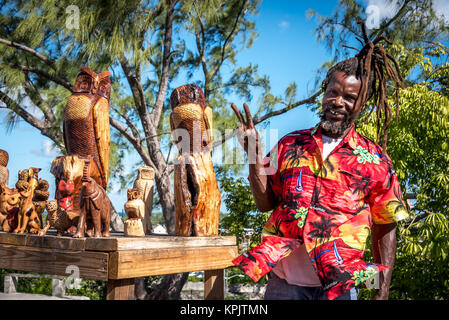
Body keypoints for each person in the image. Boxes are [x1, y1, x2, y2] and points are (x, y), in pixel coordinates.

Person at [230, 27, 409, 300]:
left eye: (349, 98)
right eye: (333, 92)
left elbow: (386, 225)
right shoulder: (290, 145)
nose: (338, 102)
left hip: (341, 287)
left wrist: (381, 290)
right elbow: (265, 203)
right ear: (324, 92)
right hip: (284, 283)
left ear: (362, 105)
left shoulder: (375, 160)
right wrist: (254, 156)